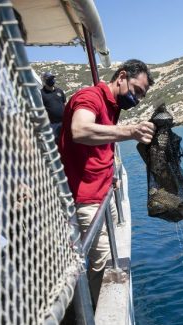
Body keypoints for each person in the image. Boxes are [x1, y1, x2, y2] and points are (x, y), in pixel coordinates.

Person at [57, 59, 155, 304]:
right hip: (84, 198)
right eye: (136, 91)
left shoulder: (113, 105)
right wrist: (130, 132)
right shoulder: (89, 97)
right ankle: (86, 324)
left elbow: (101, 147)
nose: (137, 99)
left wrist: (111, 174)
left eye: (142, 96)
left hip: (104, 193)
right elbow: (80, 130)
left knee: (108, 254)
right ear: (121, 77)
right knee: (98, 262)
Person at [41, 71, 67, 141]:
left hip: (64, 122)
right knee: (56, 142)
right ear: (44, 81)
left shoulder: (59, 91)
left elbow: (65, 103)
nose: (52, 81)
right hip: (52, 124)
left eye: (53, 79)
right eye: (49, 79)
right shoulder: (41, 94)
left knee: (66, 140)